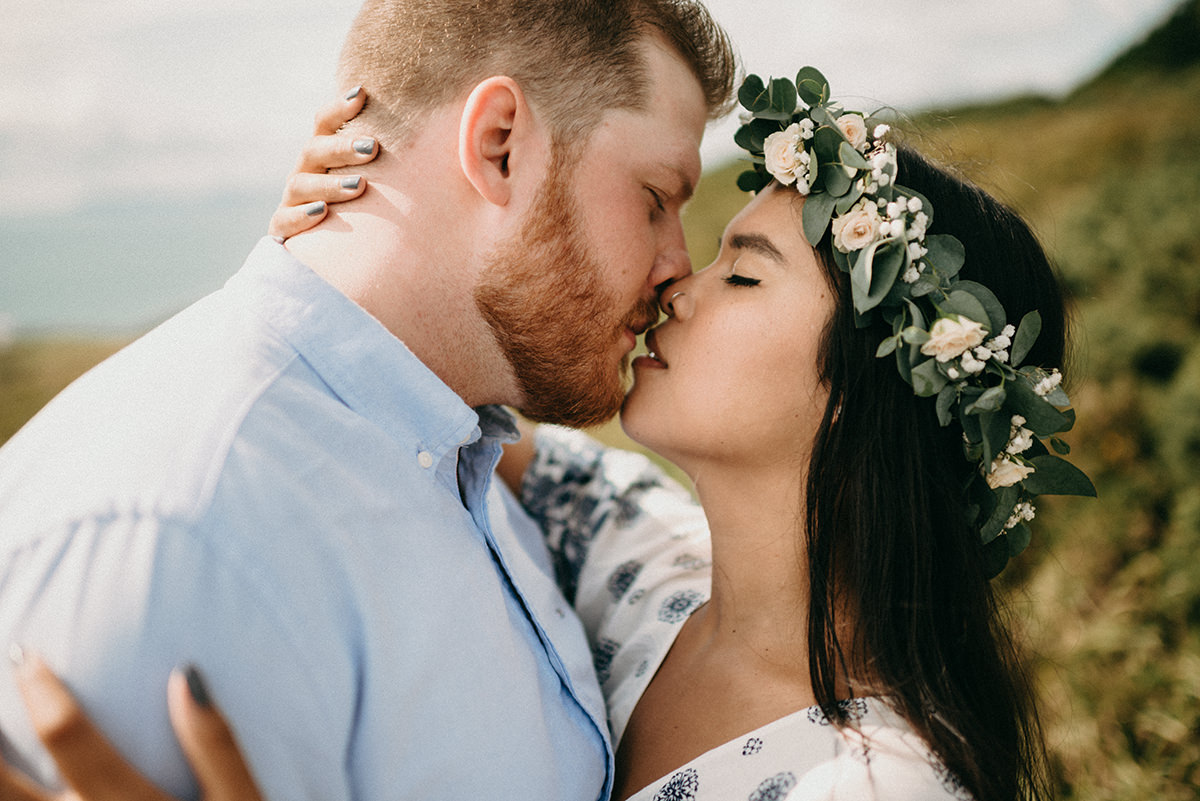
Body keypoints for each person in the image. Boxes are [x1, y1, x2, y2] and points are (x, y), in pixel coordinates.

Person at [1, 68, 1096, 801]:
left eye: (742, 272)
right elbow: (418, 399)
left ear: (862, 396)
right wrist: (359, 233)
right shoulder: (637, 551)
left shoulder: (877, 787)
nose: (676, 282)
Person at [0, 2, 737, 800]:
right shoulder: (185, 539)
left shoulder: (469, 458)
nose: (679, 266)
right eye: (657, 196)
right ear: (498, 147)